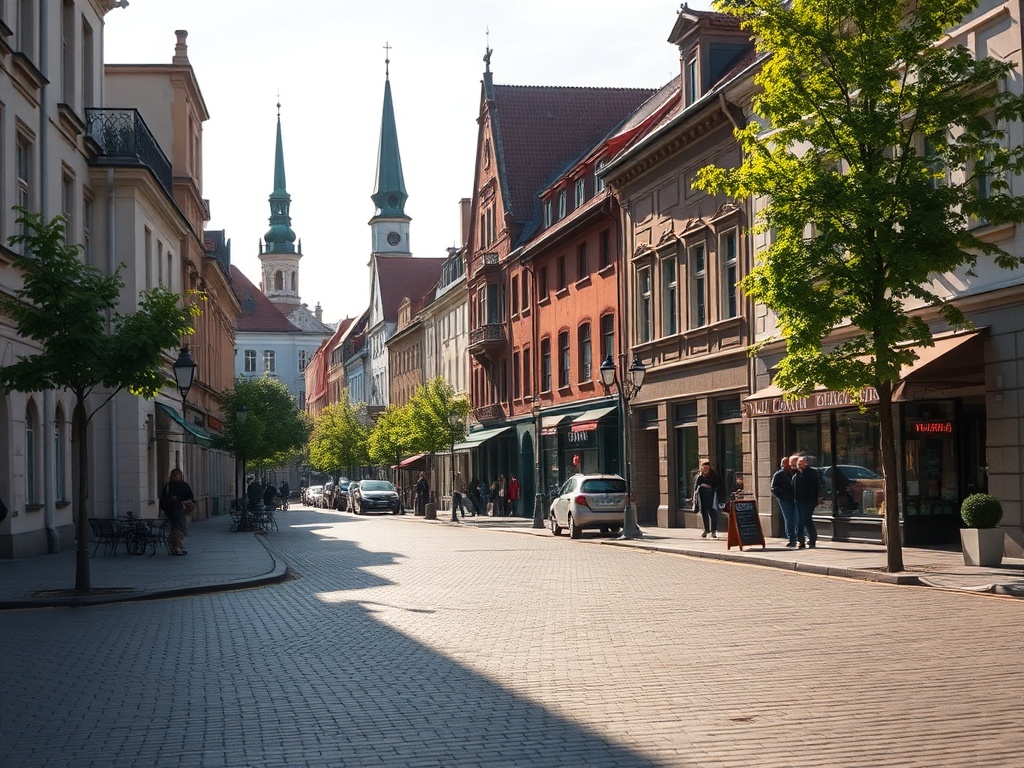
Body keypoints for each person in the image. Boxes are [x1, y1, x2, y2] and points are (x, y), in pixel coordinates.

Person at [160, 468, 195, 556]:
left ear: (180, 475)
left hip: (181, 510)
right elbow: (163, 499)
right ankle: (176, 547)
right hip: (171, 511)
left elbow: (190, 497)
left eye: (177, 474)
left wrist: (184, 502)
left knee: (180, 528)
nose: (175, 476)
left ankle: (178, 545)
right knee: (175, 528)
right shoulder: (168, 486)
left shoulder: (184, 485)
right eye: (174, 474)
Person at [792, 454, 820, 549]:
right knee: (807, 521)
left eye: (801, 463)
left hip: (809, 501)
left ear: (806, 463)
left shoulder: (811, 473)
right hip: (799, 502)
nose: (799, 465)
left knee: (801, 522)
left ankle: (801, 541)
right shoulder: (797, 474)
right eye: (798, 463)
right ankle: (811, 540)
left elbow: (814, 487)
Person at [771, 456, 798, 548]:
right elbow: (773, 488)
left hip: (796, 499)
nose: (785, 466)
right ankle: (792, 539)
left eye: (787, 464)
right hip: (785, 500)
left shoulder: (795, 472)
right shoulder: (778, 475)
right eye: (783, 464)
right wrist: (782, 495)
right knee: (789, 519)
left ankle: (800, 538)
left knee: (797, 519)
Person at [693, 460, 725, 538]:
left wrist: (720, 498)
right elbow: (696, 486)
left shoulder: (714, 475)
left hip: (712, 497)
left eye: (707, 467)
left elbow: (718, 486)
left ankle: (714, 531)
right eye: (704, 468)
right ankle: (706, 530)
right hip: (702, 497)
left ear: (709, 467)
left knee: (713, 513)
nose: (705, 469)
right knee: (704, 513)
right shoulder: (699, 476)